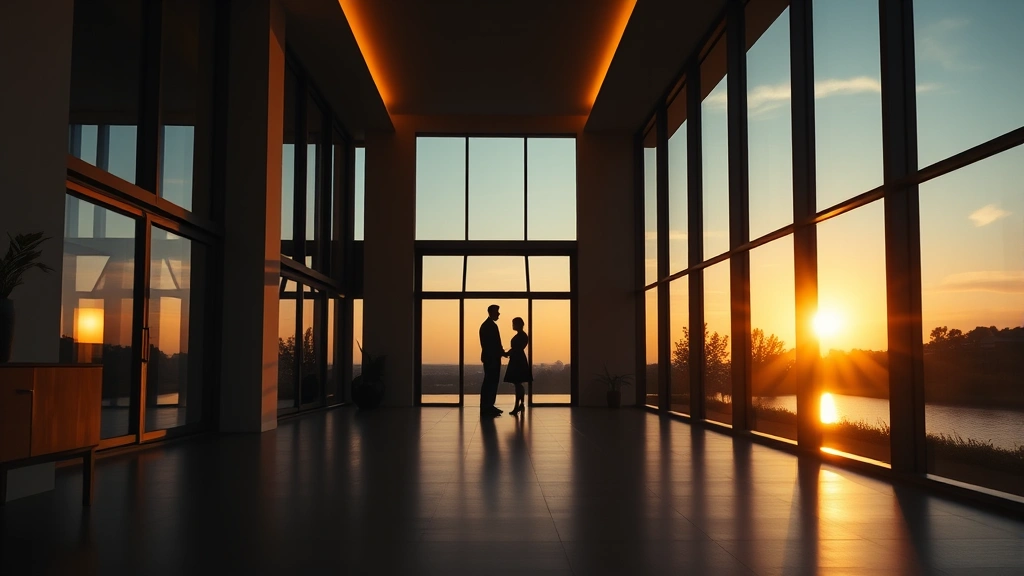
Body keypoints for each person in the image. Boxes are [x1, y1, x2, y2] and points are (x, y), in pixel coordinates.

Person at [479, 304, 505, 417]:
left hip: (490, 357)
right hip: (492, 358)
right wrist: (502, 352)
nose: (499, 314)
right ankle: (487, 406)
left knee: (490, 381)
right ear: (491, 312)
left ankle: (488, 405)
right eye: (497, 312)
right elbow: (494, 344)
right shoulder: (490, 326)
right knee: (491, 381)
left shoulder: (487, 326)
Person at [503, 317, 532, 416]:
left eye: (514, 323)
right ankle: (520, 404)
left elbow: (516, 348)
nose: (513, 325)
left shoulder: (521, 336)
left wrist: (506, 353)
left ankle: (518, 405)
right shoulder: (522, 336)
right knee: (518, 383)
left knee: (517, 384)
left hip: (517, 360)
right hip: (518, 359)